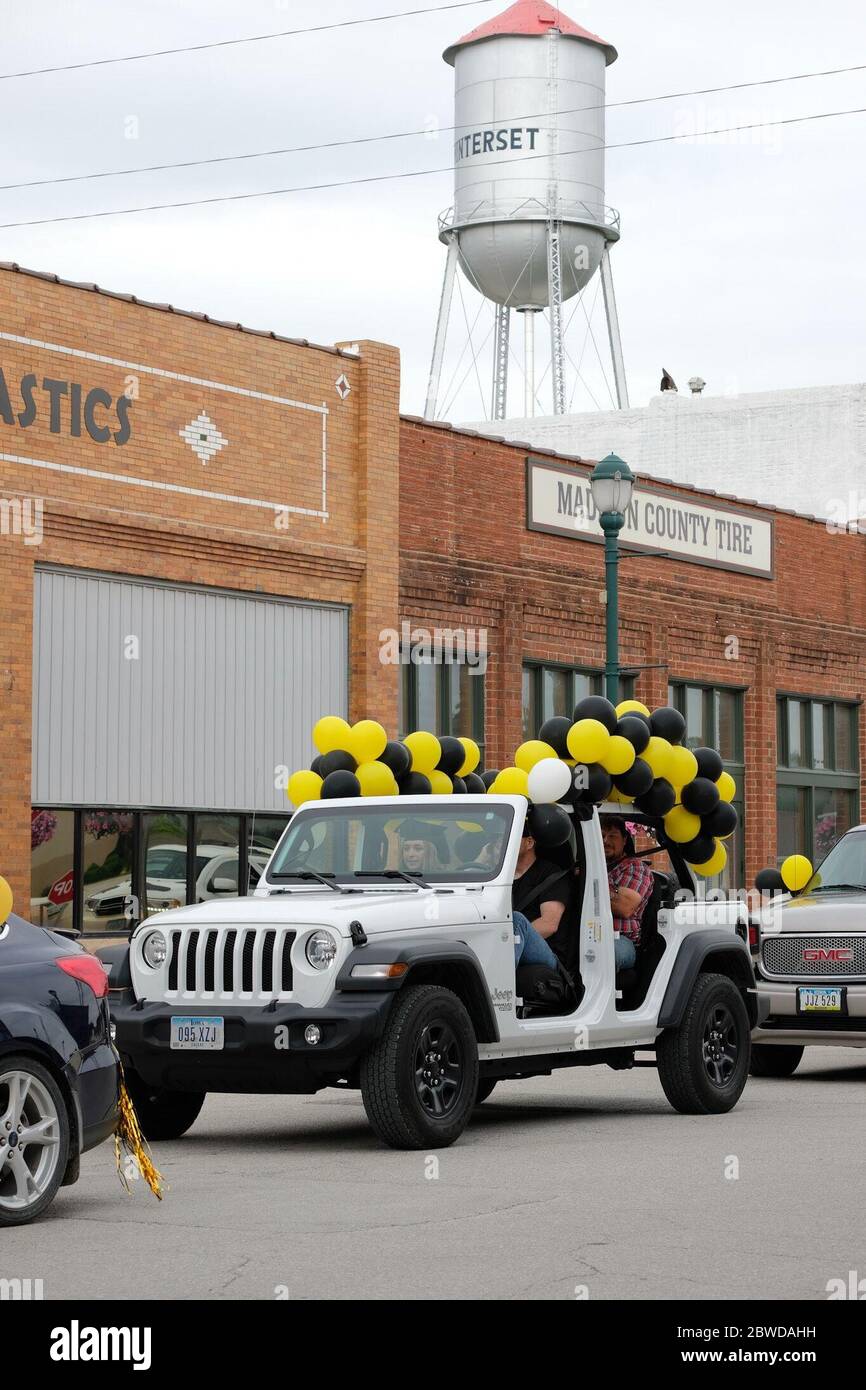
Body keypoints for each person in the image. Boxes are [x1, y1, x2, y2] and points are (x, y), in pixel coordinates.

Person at [511, 824, 570, 969]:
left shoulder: (551, 875)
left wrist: (504, 940)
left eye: (510, 837)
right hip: (506, 941)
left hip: (547, 951)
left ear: (529, 842)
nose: (500, 843)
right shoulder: (499, 876)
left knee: (517, 920)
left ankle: (499, 982)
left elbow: (549, 925)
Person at [600, 815, 655, 971]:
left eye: (612, 836)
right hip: (587, 934)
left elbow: (624, 907)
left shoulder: (635, 867)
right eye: (602, 835)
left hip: (620, 939)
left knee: (603, 955)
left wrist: (592, 883)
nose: (605, 841)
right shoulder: (592, 866)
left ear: (624, 840)